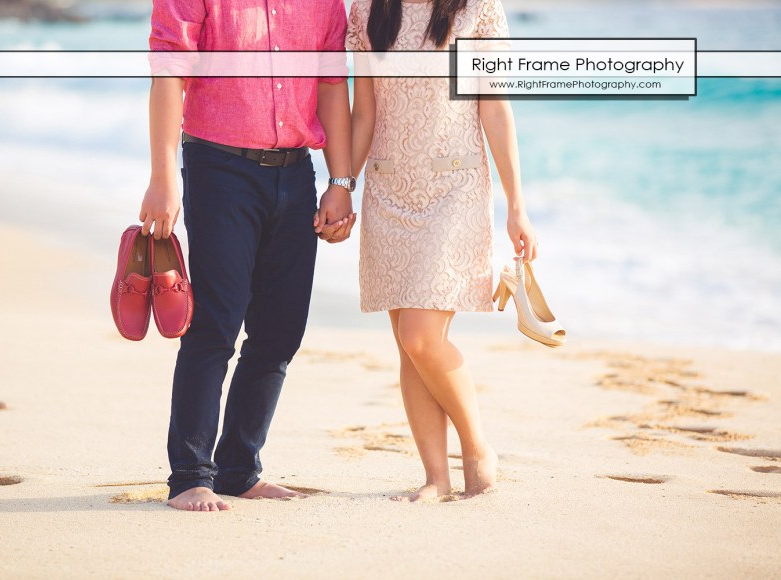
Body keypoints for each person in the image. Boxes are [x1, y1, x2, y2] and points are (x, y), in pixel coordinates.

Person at [145, 0, 357, 512]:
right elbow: (169, 73)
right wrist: (163, 176)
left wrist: (341, 181)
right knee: (216, 324)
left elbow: (331, 85)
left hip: (295, 174)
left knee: (281, 330)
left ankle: (239, 469)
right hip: (218, 168)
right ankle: (190, 475)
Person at [348, 0, 538, 501]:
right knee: (409, 347)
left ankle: (477, 449)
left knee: (420, 336)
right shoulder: (367, 10)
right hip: (388, 192)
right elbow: (363, 112)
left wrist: (516, 204)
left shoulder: (477, 9)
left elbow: (494, 105)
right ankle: (436, 479)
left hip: (454, 189)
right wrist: (343, 184)